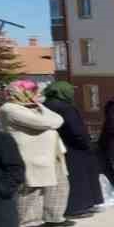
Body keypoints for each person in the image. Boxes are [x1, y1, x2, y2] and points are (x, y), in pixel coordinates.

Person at [0, 80, 70, 227]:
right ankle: (27, 222)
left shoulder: (33, 106)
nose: (37, 95)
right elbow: (42, 122)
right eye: (33, 92)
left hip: (51, 152)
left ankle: (53, 217)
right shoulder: (9, 109)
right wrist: (43, 113)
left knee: (58, 185)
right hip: (31, 154)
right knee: (33, 188)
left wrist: (39, 106)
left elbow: (58, 119)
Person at [41, 81, 103, 218]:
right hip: (74, 148)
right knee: (79, 178)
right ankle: (77, 208)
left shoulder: (45, 106)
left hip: (55, 147)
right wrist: (87, 144)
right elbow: (75, 130)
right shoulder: (65, 107)